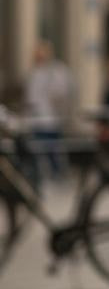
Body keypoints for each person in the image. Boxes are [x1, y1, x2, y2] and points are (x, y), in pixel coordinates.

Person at [23, 39, 75, 183]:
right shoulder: (34, 72)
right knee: (37, 150)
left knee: (52, 150)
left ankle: (58, 175)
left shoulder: (56, 71)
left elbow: (63, 92)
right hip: (35, 119)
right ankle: (40, 176)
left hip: (51, 118)